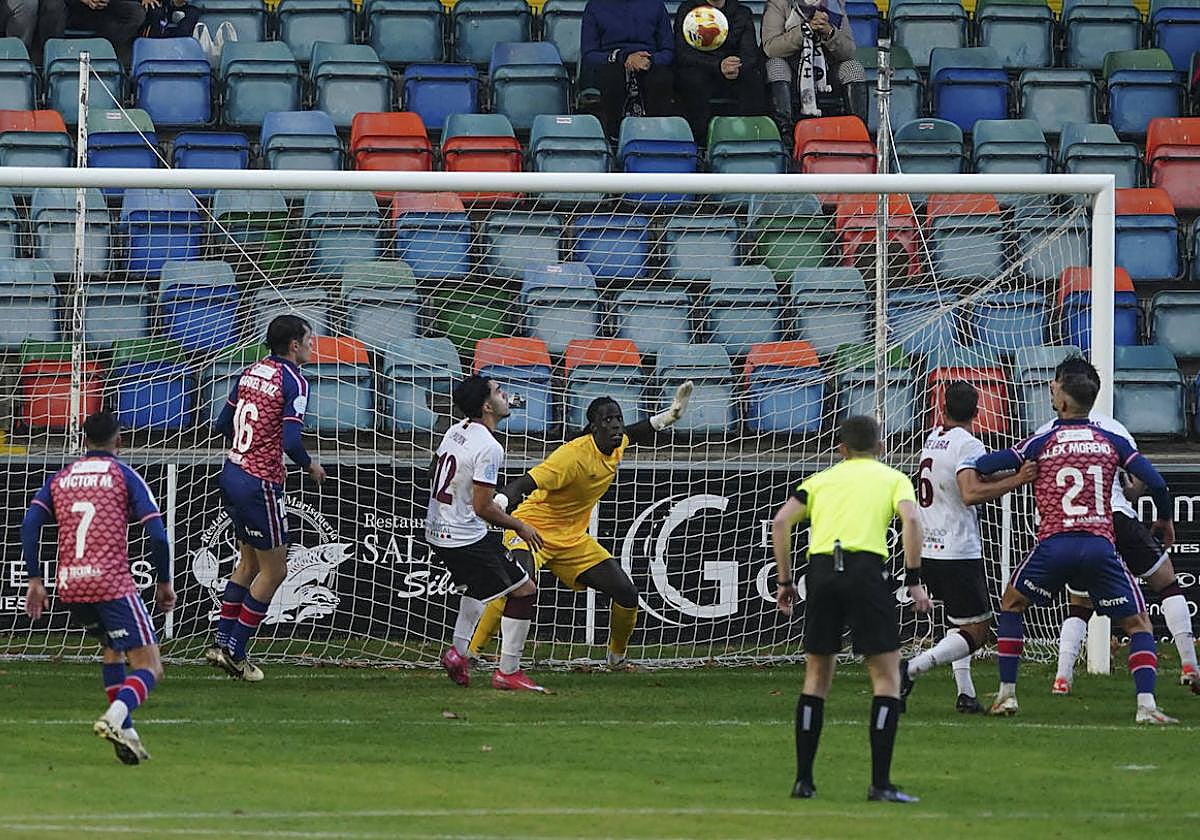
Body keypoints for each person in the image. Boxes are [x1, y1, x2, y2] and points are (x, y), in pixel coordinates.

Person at [974, 373, 1177, 725]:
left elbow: (985, 465)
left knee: (1012, 603)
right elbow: (1157, 482)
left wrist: (1019, 471)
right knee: (1138, 624)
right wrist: (1164, 519)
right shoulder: (1112, 440)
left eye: (1055, 391)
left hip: (1054, 544)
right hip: (1099, 544)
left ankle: (1007, 694)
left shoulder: (1043, 440)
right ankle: (1146, 705)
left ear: (1063, 402)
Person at [467, 384, 693, 670]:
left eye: (617, 419)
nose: (615, 426)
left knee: (626, 593)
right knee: (518, 583)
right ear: (593, 427)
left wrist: (669, 417)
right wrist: (499, 502)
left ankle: (616, 659)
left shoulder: (617, 442)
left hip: (572, 539)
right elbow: (525, 482)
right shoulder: (571, 457)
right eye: (607, 420)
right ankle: (470, 654)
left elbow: (637, 431)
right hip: (531, 527)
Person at [771, 415, 931, 803]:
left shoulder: (820, 481)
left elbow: (780, 522)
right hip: (864, 570)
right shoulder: (893, 478)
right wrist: (913, 578)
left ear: (840, 449)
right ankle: (880, 784)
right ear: (879, 447)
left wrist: (785, 582)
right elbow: (911, 518)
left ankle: (803, 781)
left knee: (817, 677)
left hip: (822, 571)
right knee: (886, 678)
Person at [22, 410, 176, 765]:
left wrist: (34, 579)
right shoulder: (123, 475)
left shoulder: (61, 478)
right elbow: (157, 535)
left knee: (112, 648)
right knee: (150, 666)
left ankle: (129, 734)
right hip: (111, 583)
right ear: (119, 440)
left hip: (71, 586)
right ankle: (114, 718)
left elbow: (30, 523)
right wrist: (164, 583)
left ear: (83, 441)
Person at [1040, 357, 1199, 696]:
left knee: (1079, 604)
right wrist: (1162, 516)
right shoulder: (1113, 428)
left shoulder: (1048, 432)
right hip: (1117, 517)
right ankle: (1190, 665)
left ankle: (1062, 677)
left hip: (1078, 526)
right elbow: (1143, 479)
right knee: (1167, 583)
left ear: (1064, 389)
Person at [900, 383, 1038, 714]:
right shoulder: (969, 443)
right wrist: (1018, 480)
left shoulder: (933, 438)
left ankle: (965, 693)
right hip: (956, 549)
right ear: (978, 413)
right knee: (977, 630)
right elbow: (970, 492)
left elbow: (965, 478)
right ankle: (911, 668)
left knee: (958, 623)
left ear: (942, 409)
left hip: (929, 546)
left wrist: (1011, 472)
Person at [208, 314, 326, 681]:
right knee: (275, 570)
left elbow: (222, 424)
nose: (312, 346)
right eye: (309, 339)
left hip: (232, 472)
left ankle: (221, 643)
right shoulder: (294, 380)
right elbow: (291, 440)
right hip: (259, 483)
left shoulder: (250, 371)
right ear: (294, 345)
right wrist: (310, 465)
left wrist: (255, 446)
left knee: (248, 564)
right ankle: (236, 652)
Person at [427, 375, 547, 692]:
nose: (504, 394)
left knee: (479, 587)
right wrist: (520, 524)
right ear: (486, 405)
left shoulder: (455, 430)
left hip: (438, 529)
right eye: (497, 391)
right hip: (464, 534)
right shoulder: (490, 447)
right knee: (524, 591)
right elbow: (483, 508)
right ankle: (508, 672)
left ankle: (458, 653)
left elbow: (437, 472)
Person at [761, 0, 863, 136]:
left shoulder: (834, 4)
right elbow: (771, 48)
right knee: (775, 66)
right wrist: (805, 30)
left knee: (853, 68)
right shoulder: (779, 3)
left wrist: (830, 32)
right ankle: (785, 136)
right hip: (791, 71)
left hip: (826, 75)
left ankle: (857, 133)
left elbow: (848, 51)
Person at [672, 0, 766, 144]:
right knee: (692, 79)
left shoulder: (742, 13)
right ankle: (700, 144)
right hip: (700, 67)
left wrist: (737, 67)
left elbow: (750, 54)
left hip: (732, 69)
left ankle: (750, 140)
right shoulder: (687, 10)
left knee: (753, 78)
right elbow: (682, 53)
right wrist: (717, 65)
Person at [580, 0, 676, 140]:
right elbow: (589, 54)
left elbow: (668, 50)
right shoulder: (594, 6)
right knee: (611, 77)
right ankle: (614, 136)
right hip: (612, 61)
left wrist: (650, 60)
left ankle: (657, 137)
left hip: (648, 61)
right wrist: (621, 57)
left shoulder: (656, 5)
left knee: (661, 78)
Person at [39, 0, 149, 64]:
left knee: (135, 14)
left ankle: (97, 52)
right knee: (53, 5)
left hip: (102, 9)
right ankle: (53, 64)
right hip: (68, 8)